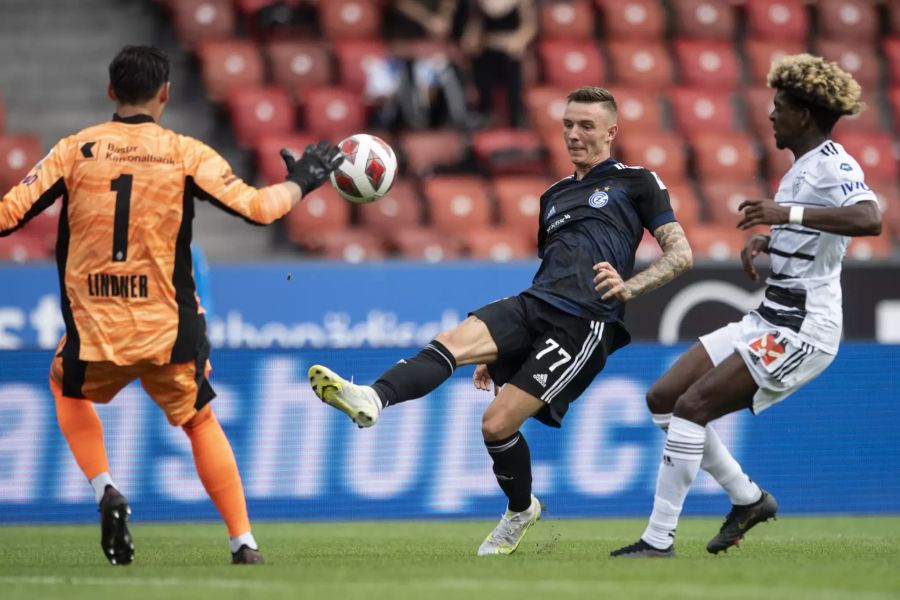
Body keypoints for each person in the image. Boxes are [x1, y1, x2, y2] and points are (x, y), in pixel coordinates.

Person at [307, 86, 693, 556]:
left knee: (495, 425)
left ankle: (519, 511)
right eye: (568, 124)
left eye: (586, 126)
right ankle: (371, 397)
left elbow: (681, 253)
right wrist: (503, 349)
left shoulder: (637, 182)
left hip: (586, 321)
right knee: (451, 340)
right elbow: (554, 264)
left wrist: (632, 287)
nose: (573, 134)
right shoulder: (553, 195)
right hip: (535, 301)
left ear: (611, 131)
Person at [0, 46, 342, 565]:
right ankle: (243, 542)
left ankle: (105, 489)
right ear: (165, 94)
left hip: (96, 329)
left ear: (112, 92)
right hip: (167, 330)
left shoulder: (75, 150)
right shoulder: (185, 152)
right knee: (200, 420)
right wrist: (301, 181)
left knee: (64, 385)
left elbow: (8, 215)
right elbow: (257, 208)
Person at [610, 54, 882, 558]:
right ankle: (749, 499)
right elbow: (812, 241)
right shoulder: (801, 168)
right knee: (665, 397)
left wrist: (785, 212)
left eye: (779, 107)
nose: (772, 116)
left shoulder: (835, 164)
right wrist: (769, 243)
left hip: (804, 329)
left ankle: (658, 539)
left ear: (804, 115)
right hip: (770, 315)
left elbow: (869, 219)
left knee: (693, 408)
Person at [461, 0, 537, 128]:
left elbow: (529, 26)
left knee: (513, 76)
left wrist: (519, 41)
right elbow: (476, 24)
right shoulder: (480, 3)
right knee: (481, 70)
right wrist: (469, 39)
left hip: (511, 50)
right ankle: (485, 115)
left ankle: (516, 121)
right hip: (487, 47)